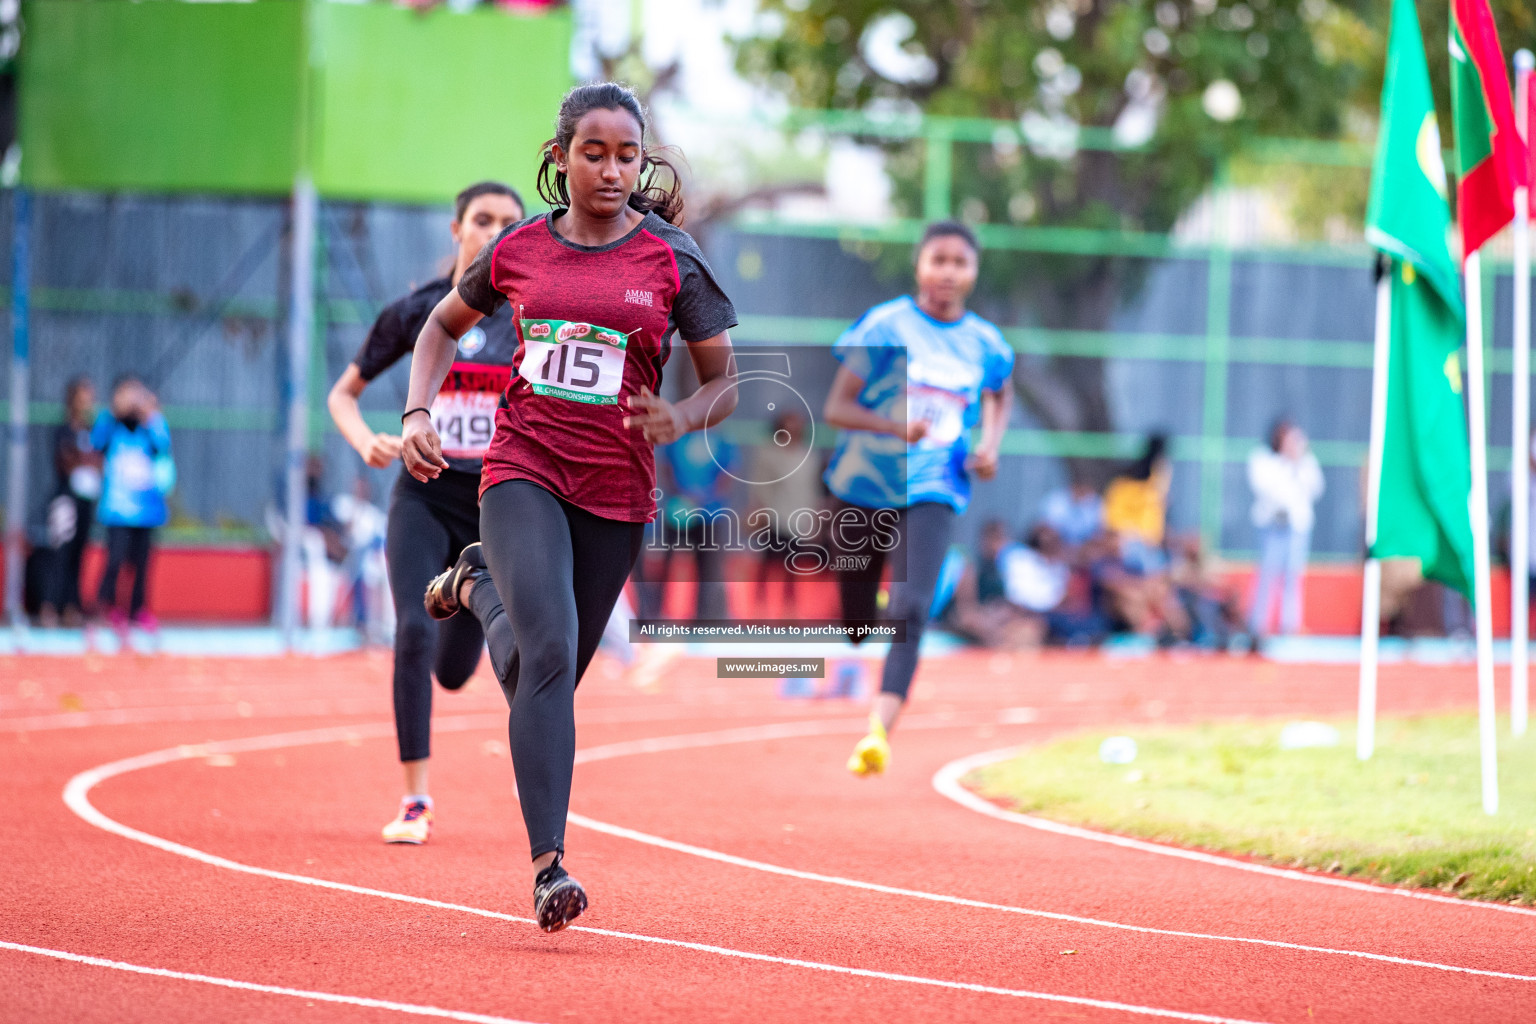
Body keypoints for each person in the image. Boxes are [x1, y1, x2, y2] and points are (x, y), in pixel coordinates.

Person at [399, 82, 738, 932]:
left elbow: (725, 382)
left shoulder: (672, 259)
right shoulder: (518, 249)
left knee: (539, 678)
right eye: (595, 153)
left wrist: (681, 415)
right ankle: (549, 868)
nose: (613, 170)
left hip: (616, 491)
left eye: (628, 156)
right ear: (561, 158)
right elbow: (440, 326)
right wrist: (416, 412)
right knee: (547, 656)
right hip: (523, 467)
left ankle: (478, 587)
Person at [327, 181, 525, 845]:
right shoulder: (420, 312)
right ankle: (415, 801)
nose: (494, 231)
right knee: (412, 629)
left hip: (491, 510)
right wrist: (368, 441)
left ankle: (464, 585)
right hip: (422, 494)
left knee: (454, 670)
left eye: (508, 222)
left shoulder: (531, 316)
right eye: (482, 220)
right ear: (456, 230)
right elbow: (343, 396)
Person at [825, 220, 1013, 777]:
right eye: (938, 260)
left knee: (910, 609)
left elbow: (1001, 391)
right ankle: (864, 616)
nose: (948, 272)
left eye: (960, 262)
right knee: (858, 618)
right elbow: (837, 408)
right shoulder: (885, 326)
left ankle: (877, 731)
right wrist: (890, 426)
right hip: (865, 484)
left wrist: (989, 446)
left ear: (974, 272)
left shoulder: (986, 343)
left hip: (936, 485)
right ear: (920, 265)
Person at [92, 376, 173, 632]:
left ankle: (137, 609)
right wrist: (117, 411)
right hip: (118, 508)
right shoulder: (110, 422)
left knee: (142, 563)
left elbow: (163, 448)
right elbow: (96, 443)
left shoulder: (152, 424)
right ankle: (107, 606)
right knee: (115, 560)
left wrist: (150, 415)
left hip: (148, 510)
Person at [1246, 419, 1324, 637]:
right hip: (1271, 527)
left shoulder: (1305, 461)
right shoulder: (1262, 459)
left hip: (1296, 528)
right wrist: (1285, 464)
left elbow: (1316, 488)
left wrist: (1297, 462)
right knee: (1266, 576)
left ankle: (1290, 626)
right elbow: (1265, 488)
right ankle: (1257, 625)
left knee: (1293, 577)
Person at [42, 377, 103, 626]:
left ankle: (71, 607)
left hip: (86, 500)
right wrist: (86, 460)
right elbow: (66, 461)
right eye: (84, 394)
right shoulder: (64, 429)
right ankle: (49, 607)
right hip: (66, 499)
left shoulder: (91, 430)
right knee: (61, 554)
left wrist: (86, 459)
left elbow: (100, 461)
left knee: (79, 553)